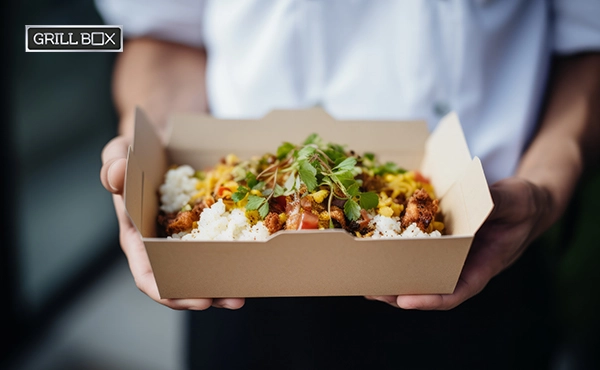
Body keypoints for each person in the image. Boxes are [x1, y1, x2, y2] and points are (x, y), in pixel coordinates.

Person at [97, 1, 600, 368]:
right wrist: (150, 147)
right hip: (234, 283)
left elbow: (587, 39)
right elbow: (163, 35)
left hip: (479, 250)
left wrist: (549, 180)